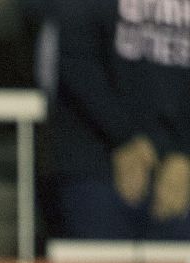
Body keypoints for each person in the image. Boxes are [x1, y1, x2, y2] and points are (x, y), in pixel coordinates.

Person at [37, 0, 190, 241]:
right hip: (94, 166)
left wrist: (183, 153)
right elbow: (72, 62)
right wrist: (126, 138)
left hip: (178, 171)